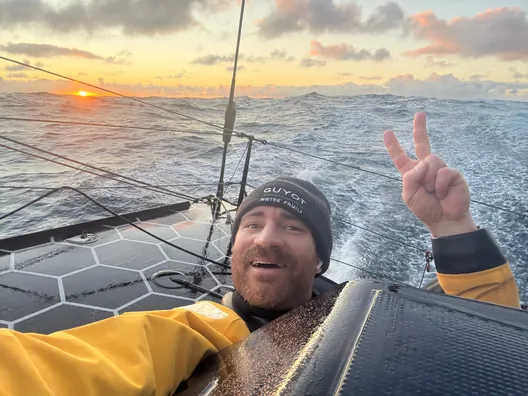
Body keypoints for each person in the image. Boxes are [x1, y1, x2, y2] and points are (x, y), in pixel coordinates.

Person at [0, 112, 520, 395]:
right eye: (251, 223)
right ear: (234, 251)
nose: (266, 237)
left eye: (293, 227)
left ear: (320, 259)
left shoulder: (373, 317)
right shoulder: (199, 329)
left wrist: (452, 228)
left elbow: (487, 353)